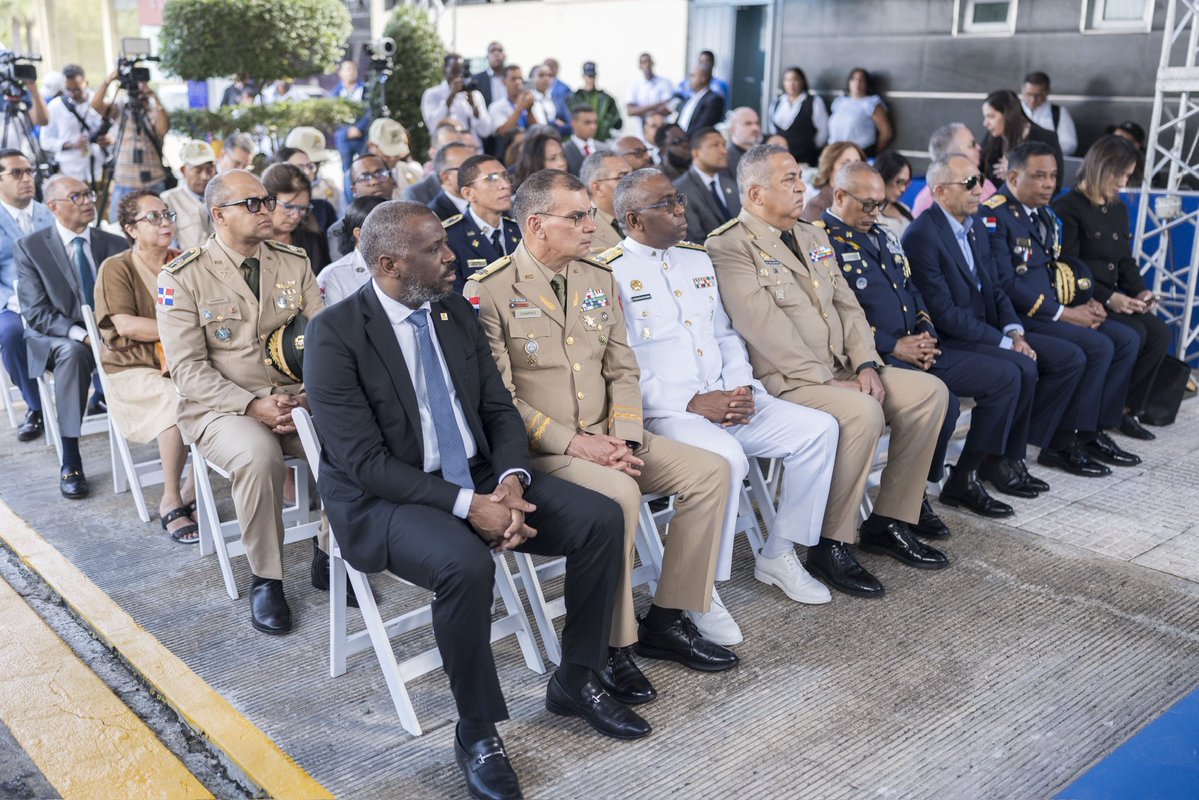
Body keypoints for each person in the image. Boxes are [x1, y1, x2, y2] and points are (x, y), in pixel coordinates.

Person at [305, 199, 643, 800]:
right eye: (433, 249)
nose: (450, 256)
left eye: (444, 243)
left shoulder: (451, 310)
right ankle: (477, 730)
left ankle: (577, 676)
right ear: (389, 264)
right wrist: (470, 507)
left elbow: (497, 408)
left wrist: (511, 481)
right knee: (464, 565)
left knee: (600, 517)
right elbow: (364, 464)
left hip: (481, 476)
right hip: (386, 500)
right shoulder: (334, 335)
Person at [465, 169, 739, 704]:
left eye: (592, 213)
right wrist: (575, 444)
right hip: (549, 450)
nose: (594, 223)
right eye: (579, 216)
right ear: (537, 224)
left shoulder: (598, 276)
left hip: (610, 436)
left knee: (712, 471)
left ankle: (668, 617)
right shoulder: (491, 290)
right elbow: (498, 401)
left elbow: (623, 368)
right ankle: (613, 646)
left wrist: (627, 436)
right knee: (621, 493)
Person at [707, 144, 951, 598]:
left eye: (800, 177)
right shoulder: (729, 245)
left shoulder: (813, 235)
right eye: (789, 181)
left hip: (844, 368)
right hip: (788, 382)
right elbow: (764, 327)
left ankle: (889, 519)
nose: (802, 187)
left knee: (930, 393)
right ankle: (830, 543)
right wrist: (829, 379)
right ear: (756, 193)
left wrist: (865, 363)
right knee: (862, 413)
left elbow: (848, 305)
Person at [604, 167, 838, 604]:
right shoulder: (609, 273)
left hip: (728, 398)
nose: (679, 210)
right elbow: (619, 363)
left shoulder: (697, 259)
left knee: (819, 430)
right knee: (727, 459)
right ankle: (702, 589)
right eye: (666, 204)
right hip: (668, 413)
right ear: (634, 220)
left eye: (679, 200)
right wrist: (693, 402)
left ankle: (780, 551)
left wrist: (740, 389)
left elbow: (725, 335)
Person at [156, 169, 325, 635]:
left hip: (296, 400)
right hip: (221, 409)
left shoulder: (293, 261)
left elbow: (327, 340)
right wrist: (253, 405)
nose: (267, 210)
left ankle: (331, 552)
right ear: (219, 215)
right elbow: (188, 371)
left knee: (355, 433)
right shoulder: (182, 276)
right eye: (252, 204)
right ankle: (267, 579)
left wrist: (310, 397)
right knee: (257, 454)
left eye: (268, 201)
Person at [822, 162, 1020, 519]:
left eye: (880, 204)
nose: (875, 212)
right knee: (942, 405)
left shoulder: (884, 235)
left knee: (1006, 377)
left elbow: (911, 290)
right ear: (839, 196)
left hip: (916, 348)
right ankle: (915, 499)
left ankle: (964, 476)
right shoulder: (821, 241)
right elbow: (831, 316)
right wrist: (893, 345)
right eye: (867, 204)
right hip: (871, 358)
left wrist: (925, 333)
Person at [904, 153, 1077, 499]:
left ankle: (1004, 460)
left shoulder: (976, 224)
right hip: (947, 341)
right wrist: (1003, 342)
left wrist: (1014, 332)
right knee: (1011, 372)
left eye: (979, 179)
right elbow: (945, 314)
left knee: (1026, 365)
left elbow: (994, 287)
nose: (978, 189)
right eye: (968, 183)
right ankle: (965, 474)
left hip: (978, 333)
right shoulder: (923, 235)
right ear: (939, 191)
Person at [985, 141, 1140, 475]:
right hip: (1020, 318)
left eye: (1053, 176)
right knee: (1095, 347)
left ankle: (1089, 431)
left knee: (1124, 339)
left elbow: (1058, 270)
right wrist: (1065, 314)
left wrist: (1087, 302)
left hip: (1052, 308)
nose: (1049, 184)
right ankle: (1059, 442)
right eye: (1039, 176)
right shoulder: (995, 215)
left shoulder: (1044, 213)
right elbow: (1006, 284)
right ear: (1013, 176)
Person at [94, 190, 198, 542]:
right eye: (152, 217)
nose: (165, 221)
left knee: (223, 391)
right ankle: (170, 498)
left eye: (167, 214)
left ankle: (192, 487)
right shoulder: (117, 267)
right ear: (131, 229)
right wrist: (186, 329)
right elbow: (125, 325)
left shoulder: (185, 260)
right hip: (133, 367)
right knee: (175, 400)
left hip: (184, 360)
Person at [15, 175, 128, 498]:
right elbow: (36, 312)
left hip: (112, 332)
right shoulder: (31, 247)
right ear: (54, 207)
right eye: (76, 197)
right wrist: (85, 335)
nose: (88, 201)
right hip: (56, 337)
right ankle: (71, 458)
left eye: (88, 193)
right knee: (73, 353)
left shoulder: (115, 243)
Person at [1054, 135, 1168, 441]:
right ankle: (1100, 419)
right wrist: (1109, 297)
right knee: (1135, 335)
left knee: (1159, 332)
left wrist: (1140, 292)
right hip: (1087, 298)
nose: (1123, 182)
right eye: (1119, 174)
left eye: (1128, 176)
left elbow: (1125, 261)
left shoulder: (1118, 208)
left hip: (1116, 297)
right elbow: (1068, 266)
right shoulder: (1068, 207)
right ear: (1100, 168)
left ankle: (1126, 409)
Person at [0, 150, 54, 441]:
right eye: (16, 173)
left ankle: (99, 395)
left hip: (54, 298)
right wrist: (9, 301)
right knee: (9, 333)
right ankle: (36, 406)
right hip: (10, 300)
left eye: (29, 171)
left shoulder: (49, 212)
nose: (27, 179)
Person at [90, 73, 170, 217]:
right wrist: (108, 81)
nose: (138, 88)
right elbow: (96, 105)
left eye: (142, 83)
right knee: (118, 228)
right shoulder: (121, 107)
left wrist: (154, 97)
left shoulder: (154, 109)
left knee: (159, 223)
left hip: (154, 180)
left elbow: (163, 129)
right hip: (125, 181)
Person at [443, 154, 520, 289]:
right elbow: (455, 297)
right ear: (468, 193)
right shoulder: (451, 237)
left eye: (505, 176)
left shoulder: (519, 231)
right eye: (492, 179)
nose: (505, 185)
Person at [980, 89, 1064, 193]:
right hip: (993, 203)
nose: (985, 123)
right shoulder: (992, 136)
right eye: (985, 117)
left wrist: (1019, 172)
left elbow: (1055, 185)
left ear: (1008, 115)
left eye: (991, 116)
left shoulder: (1045, 138)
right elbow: (978, 171)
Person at [41, 65, 108, 187]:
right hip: (69, 172)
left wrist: (108, 140)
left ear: (85, 83)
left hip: (98, 170)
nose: (72, 94)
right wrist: (71, 145)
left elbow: (114, 133)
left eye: (76, 89)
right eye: (68, 90)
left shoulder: (100, 103)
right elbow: (45, 140)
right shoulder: (55, 106)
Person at [910, 122, 996, 217]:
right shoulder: (928, 203)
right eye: (972, 145)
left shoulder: (986, 184)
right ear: (951, 155)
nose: (979, 148)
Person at [317, 195, 387, 306]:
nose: (394, 234)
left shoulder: (408, 265)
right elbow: (330, 322)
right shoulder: (333, 276)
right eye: (385, 229)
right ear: (359, 234)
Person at [261, 163, 330, 274]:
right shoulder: (249, 244)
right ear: (267, 201)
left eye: (303, 208)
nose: (296, 215)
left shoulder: (313, 239)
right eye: (289, 207)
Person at [674, 127, 740, 243]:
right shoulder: (680, 190)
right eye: (715, 145)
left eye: (724, 145)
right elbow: (693, 237)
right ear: (696, 152)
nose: (724, 151)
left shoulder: (731, 184)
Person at [328, 155, 397, 260]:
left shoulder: (413, 216)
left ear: (392, 179)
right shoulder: (340, 230)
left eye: (380, 174)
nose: (374, 181)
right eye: (365, 178)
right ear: (354, 190)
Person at [421, 54, 495, 149]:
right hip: (446, 151)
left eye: (461, 72)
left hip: (472, 150)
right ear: (444, 71)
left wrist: (474, 107)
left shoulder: (475, 95)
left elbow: (486, 131)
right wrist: (451, 96)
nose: (458, 77)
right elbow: (433, 126)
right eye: (454, 72)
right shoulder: (432, 94)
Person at [767, 67, 828, 168]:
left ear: (802, 81)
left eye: (795, 79)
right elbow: (772, 127)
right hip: (780, 159)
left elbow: (823, 130)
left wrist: (810, 146)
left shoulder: (814, 102)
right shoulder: (777, 102)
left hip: (805, 159)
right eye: (787, 80)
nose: (791, 83)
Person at [161, 140, 216, 250]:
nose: (205, 176)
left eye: (209, 170)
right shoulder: (167, 201)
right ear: (183, 170)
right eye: (198, 170)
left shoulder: (224, 197)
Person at [403, 122, 474, 205]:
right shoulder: (416, 193)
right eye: (449, 147)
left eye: (461, 145)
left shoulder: (479, 183)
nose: (458, 152)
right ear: (433, 152)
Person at [828, 68, 892, 157]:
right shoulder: (840, 101)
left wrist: (869, 153)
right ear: (849, 82)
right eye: (853, 79)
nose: (857, 83)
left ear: (867, 84)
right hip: (836, 152)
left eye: (861, 80)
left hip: (860, 153)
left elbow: (886, 132)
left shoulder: (871, 103)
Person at [281, 127, 342, 216]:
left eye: (314, 164)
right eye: (300, 166)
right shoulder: (277, 191)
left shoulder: (329, 186)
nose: (308, 172)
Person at [580, 151, 632, 254]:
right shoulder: (583, 230)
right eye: (622, 176)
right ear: (597, 187)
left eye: (632, 175)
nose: (632, 182)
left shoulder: (641, 215)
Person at [799, 141, 865, 222]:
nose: (853, 169)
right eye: (845, 163)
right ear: (830, 168)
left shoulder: (865, 202)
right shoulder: (816, 207)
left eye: (857, 163)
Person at [1021, 72, 1078, 157]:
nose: (1033, 100)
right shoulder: (1015, 110)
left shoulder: (1058, 112)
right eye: (1029, 94)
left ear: (1047, 92)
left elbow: (1069, 144)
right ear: (1023, 90)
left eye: (1038, 95)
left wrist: (1044, 151)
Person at [488, 65, 537, 159]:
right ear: (503, 81)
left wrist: (529, 111)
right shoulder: (496, 107)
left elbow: (538, 129)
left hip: (532, 153)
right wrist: (519, 109)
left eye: (520, 79)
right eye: (513, 79)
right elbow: (502, 131)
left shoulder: (532, 102)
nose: (518, 82)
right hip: (508, 156)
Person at [626, 53, 675, 141]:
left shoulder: (665, 83)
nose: (647, 65)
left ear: (653, 63)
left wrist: (641, 110)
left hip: (663, 133)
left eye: (649, 62)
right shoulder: (635, 85)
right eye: (644, 63)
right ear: (640, 66)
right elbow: (630, 111)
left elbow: (668, 108)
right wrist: (656, 106)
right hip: (641, 134)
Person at [331, 59, 369, 167]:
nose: (351, 72)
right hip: (344, 136)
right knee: (347, 169)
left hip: (363, 135)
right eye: (348, 69)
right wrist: (347, 130)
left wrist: (358, 128)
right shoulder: (335, 93)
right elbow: (333, 116)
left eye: (353, 69)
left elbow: (370, 111)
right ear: (340, 73)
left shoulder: (366, 89)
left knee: (365, 165)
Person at [572, 62, 623, 143]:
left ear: (596, 76)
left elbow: (617, 122)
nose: (590, 79)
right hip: (581, 141)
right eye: (588, 76)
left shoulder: (607, 99)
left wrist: (607, 124)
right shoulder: (575, 97)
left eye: (592, 76)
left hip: (602, 140)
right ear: (583, 77)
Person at [426, 143, 473, 221]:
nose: (476, 173)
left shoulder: (487, 196)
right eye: (466, 168)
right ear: (446, 177)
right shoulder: (433, 217)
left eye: (475, 166)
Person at [873, 151, 914, 239]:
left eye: (906, 183)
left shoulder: (905, 208)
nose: (903, 189)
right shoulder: (871, 214)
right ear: (883, 177)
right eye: (899, 182)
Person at [675, 68, 725, 137]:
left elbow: (702, 127)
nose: (689, 79)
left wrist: (683, 139)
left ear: (703, 78)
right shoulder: (689, 98)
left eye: (693, 76)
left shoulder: (713, 100)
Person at [529, 65, 572, 138]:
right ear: (532, 78)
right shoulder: (527, 100)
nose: (546, 79)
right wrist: (553, 123)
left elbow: (570, 126)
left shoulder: (557, 100)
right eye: (541, 75)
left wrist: (557, 126)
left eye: (550, 75)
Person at [725, 107, 762, 180]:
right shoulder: (725, 160)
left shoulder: (764, 156)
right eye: (748, 123)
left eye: (757, 123)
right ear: (733, 129)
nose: (755, 128)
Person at [563, 105, 599, 176]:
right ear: (574, 123)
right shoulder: (563, 151)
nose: (593, 127)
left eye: (595, 122)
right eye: (587, 122)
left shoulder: (605, 148)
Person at [471, 41, 506, 109]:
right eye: (492, 51)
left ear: (504, 56)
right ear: (487, 57)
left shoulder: (512, 78)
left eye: (500, 50)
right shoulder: (477, 79)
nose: (496, 54)